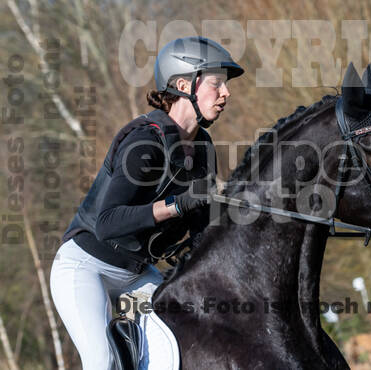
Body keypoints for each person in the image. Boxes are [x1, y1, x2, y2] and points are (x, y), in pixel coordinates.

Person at [49, 36, 244, 369]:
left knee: (176, 350)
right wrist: (178, 205)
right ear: (184, 85)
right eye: (217, 84)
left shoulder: (203, 148)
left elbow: (201, 234)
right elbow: (109, 223)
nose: (226, 93)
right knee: (101, 359)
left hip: (137, 276)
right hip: (86, 268)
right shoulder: (144, 142)